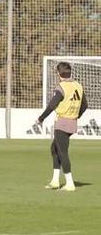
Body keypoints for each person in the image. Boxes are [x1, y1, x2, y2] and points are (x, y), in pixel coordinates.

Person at [36, 62, 88, 192]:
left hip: (62, 122)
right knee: (54, 148)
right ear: (70, 72)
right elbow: (85, 105)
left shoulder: (61, 87)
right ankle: (55, 180)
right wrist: (76, 115)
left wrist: (41, 118)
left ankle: (69, 183)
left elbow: (52, 105)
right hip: (72, 122)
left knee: (62, 152)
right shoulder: (78, 85)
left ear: (59, 74)